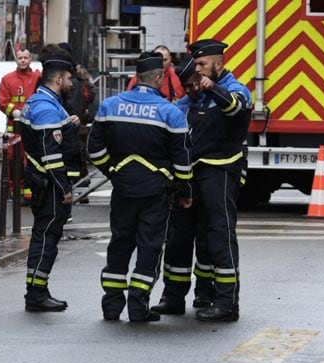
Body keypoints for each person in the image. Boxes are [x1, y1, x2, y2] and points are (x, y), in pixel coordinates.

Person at [87, 51, 193, 322]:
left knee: (119, 244)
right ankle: (138, 305)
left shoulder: (109, 106)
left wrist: (112, 171)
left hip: (123, 190)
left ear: (137, 76)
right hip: (156, 192)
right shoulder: (170, 112)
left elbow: (93, 149)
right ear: (158, 78)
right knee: (149, 248)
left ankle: (111, 306)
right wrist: (185, 191)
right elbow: (182, 161)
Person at [154, 39, 252, 322]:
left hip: (219, 173)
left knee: (219, 236)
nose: (195, 71)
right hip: (189, 176)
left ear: (218, 64)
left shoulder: (234, 89)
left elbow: (235, 107)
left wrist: (214, 89)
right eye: (195, 65)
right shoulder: (189, 100)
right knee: (178, 238)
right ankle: (172, 298)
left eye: (201, 65)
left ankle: (226, 303)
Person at [15, 52, 80, 312]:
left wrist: (69, 124)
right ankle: (36, 294)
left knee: (45, 237)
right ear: (58, 78)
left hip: (43, 181)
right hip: (50, 185)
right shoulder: (45, 107)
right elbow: (51, 153)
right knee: (46, 240)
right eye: (68, 78)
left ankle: (38, 289)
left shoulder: (44, 102)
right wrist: (64, 187)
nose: (72, 84)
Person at [0, 47, 41, 204]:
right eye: (20, 58)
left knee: (31, 160)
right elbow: (2, 102)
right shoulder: (8, 79)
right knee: (13, 160)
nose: (23, 60)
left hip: (32, 126)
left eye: (25, 58)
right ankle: (15, 189)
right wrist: (16, 112)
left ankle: (30, 192)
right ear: (16, 59)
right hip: (14, 128)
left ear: (30, 59)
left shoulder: (37, 77)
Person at [57, 42, 96, 198]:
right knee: (77, 154)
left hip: (75, 122)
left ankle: (79, 187)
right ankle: (81, 187)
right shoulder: (78, 73)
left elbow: (85, 94)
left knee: (75, 155)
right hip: (79, 120)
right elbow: (91, 91)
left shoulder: (73, 75)